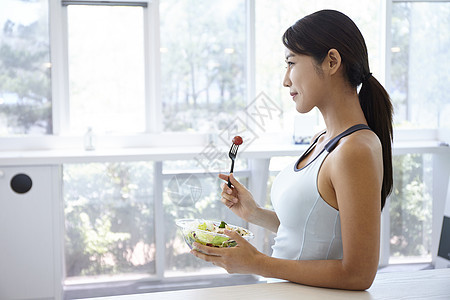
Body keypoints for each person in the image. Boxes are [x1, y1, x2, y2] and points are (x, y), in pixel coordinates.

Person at [191, 9, 393, 291]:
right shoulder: (322, 139)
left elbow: (358, 274)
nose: (286, 80)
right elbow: (315, 234)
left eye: (291, 63)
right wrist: (254, 213)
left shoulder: (355, 149)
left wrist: (256, 262)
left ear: (332, 61)